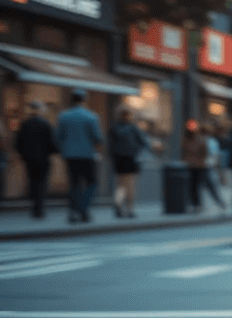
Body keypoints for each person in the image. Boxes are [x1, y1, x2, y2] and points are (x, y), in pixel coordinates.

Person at [55, 89, 103, 223]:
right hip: (87, 155)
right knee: (92, 183)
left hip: (70, 155)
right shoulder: (91, 116)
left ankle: (72, 212)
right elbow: (98, 137)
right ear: (84, 100)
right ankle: (83, 209)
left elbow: (58, 137)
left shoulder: (64, 116)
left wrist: (63, 150)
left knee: (73, 184)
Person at [15, 101, 58, 218]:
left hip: (29, 159)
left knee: (33, 181)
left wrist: (23, 155)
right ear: (40, 111)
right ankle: (39, 209)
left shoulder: (25, 124)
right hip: (43, 159)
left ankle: (34, 206)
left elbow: (18, 142)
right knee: (42, 183)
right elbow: (52, 143)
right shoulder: (46, 124)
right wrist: (55, 151)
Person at [108, 108, 151, 218]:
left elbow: (110, 146)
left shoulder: (114, 128)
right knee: (130, 185)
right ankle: (130, 209)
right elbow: (144, 143)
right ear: (129, 116)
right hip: (131, 159)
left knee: (120, 185)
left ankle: (118, 205)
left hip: (118, 160)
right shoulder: (133, 128)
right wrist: (136, 150)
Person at [183, 119, 227, 213]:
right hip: (196, 166)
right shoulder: (188, 140)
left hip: (202, 166)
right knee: (195, 186)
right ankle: (197, 204)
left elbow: (207, 154)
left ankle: (202, 204)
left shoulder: (204, 141)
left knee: (201, 186)